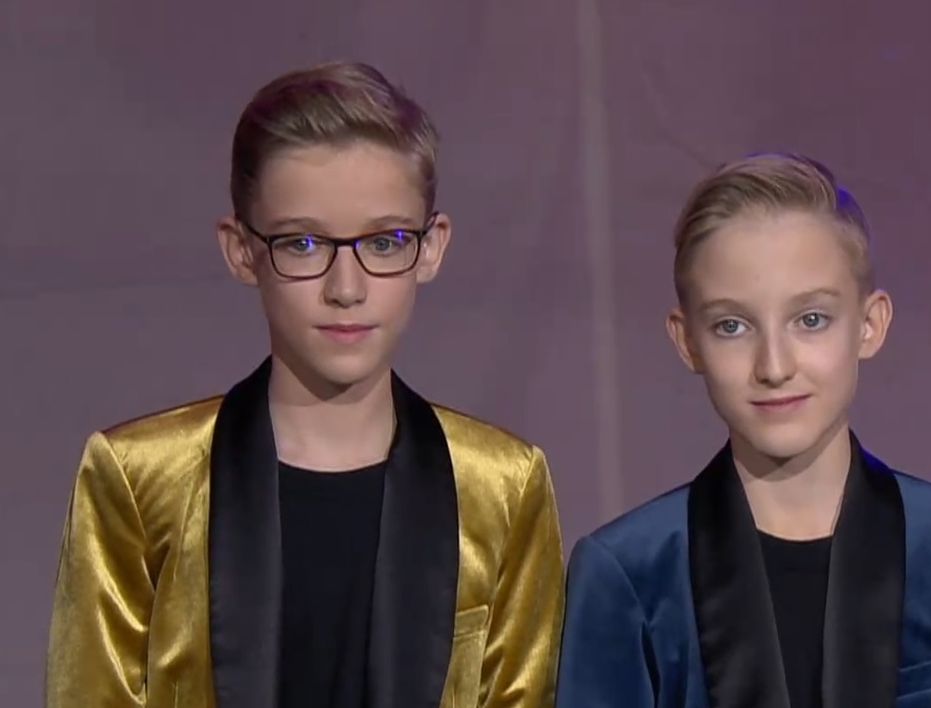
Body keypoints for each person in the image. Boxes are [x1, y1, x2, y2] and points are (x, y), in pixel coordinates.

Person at [45, 61, 565, 708]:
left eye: (385, 242)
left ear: (431, 248)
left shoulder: (503, 487)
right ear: (242, 250)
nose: (346, 289)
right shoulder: (139, 479)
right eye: (302, 245)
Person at [555, 152, 931, 708]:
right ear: (687, 341)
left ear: (870, 324)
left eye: (811, 320)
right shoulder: (629, 575)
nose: (774, 366)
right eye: (732, 326)